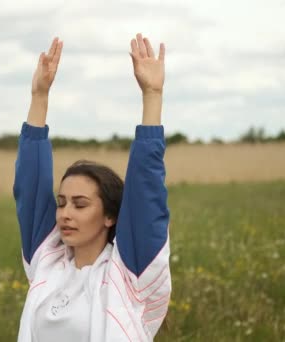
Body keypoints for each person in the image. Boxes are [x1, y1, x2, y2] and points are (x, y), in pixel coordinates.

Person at [13, 33, 170, 341]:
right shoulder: (47, 262)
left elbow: (146, 190)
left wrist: (152, 95)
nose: (65, 214)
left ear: (110, 215)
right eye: (62, 203)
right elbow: (29, 187)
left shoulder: (129, 275)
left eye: (81, 204)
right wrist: (39, 97)